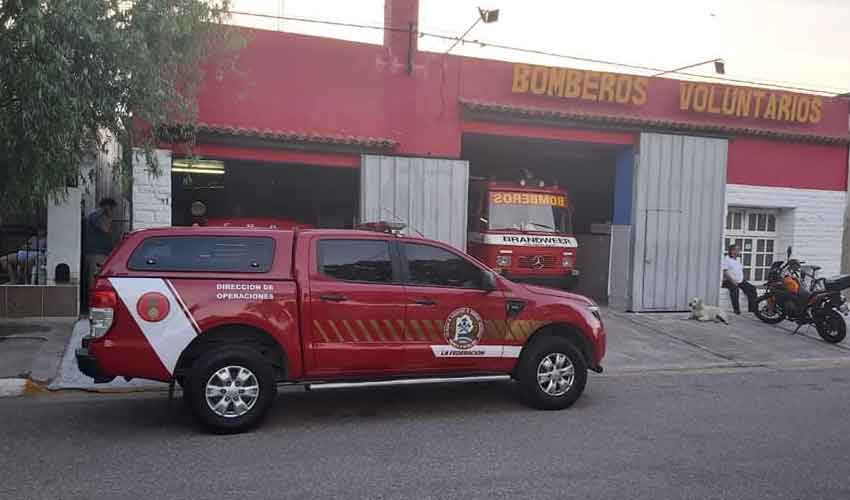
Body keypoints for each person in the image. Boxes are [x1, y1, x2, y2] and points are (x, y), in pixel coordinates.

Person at [84, 198, 117, 292]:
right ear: (107, 206)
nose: (113, 212)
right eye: (112, 209)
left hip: (100, 254)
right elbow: (105, 228)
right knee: (95, 282)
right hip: (96, 254)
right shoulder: (96, 215)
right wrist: (108, 215)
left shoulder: (98, 215)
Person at [722, 244, 758, 314]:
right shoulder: (726, 259)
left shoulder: (738, 259)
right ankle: (736, 310)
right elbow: (725, 272)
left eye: (739, 249)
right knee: (735, 290)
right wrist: (732, 281)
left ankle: (752, 309)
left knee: (752, 289)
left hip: (740, 281)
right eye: (738, 249)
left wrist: (742, 280)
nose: (739, 251)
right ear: (732, 251)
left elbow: (739, 271)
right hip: (728, 281)